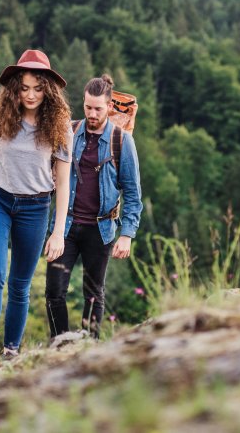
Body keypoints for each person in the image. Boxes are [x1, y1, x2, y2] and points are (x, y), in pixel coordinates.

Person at [0, 49, 73, 368]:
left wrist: (58, 231)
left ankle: (11, 352)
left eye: (38, 87)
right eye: (24, 87)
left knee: (21, 285)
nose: (31, 94)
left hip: (36, 206)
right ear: (14, 89)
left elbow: (63, 184)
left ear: (48, 89)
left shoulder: (61, 128)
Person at [45, 74, 143, 339]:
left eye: (98, 108)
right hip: (65, 224)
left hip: (100, 229)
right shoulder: (70, 131)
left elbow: (133, 192)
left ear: (109, 106)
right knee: (54, 291)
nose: (92, 113)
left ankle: (89, 347)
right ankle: (60, 344)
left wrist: (127, 234)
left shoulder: (122, 141)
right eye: (88, 107)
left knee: (93, 294)